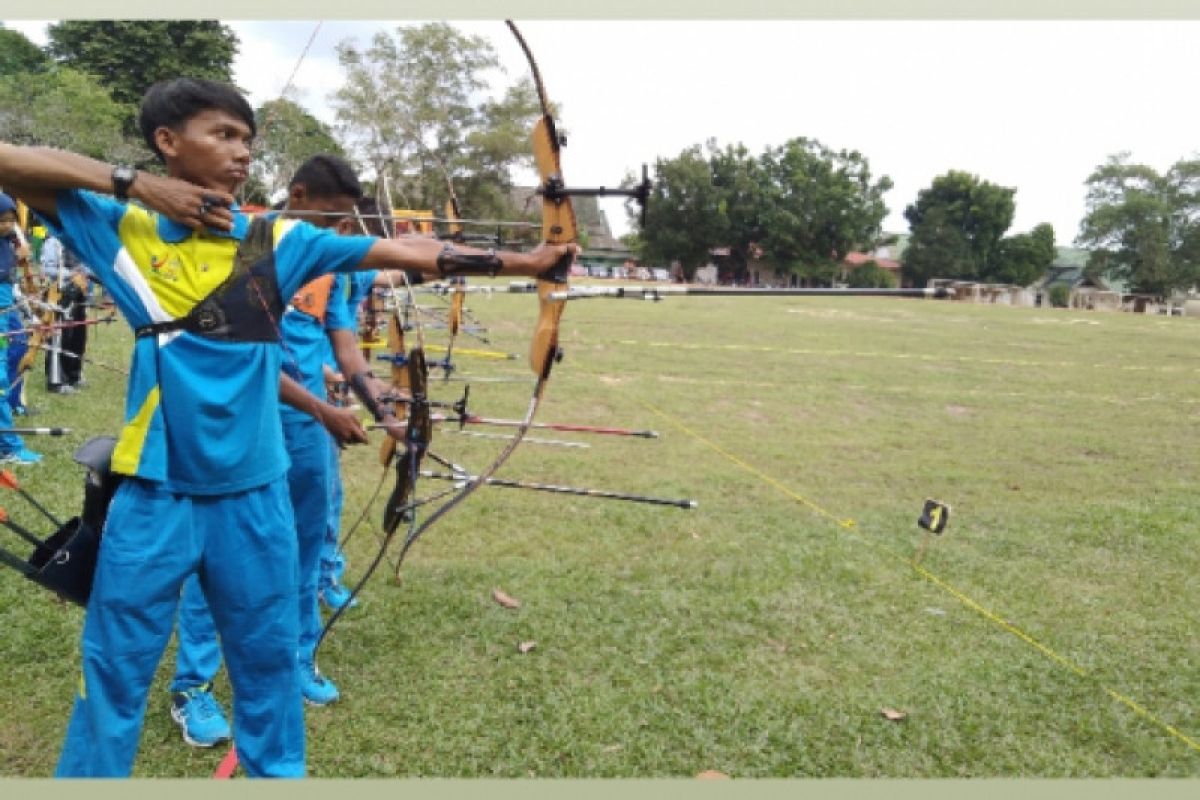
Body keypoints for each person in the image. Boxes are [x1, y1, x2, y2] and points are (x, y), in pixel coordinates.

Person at [0, 76, 574, 778]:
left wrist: (526, 261)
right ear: (167, 142)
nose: (242, 153)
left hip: (255, 495)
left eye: (248, 140)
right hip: (155, 493)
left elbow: (403, 253)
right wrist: (140, 187)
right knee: (113, 673)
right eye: (224, 135)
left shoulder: (279, 239)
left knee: (268, 670)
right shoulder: (117, 223)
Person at [167, 156, 406, 746]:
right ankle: (193, 686)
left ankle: (299, 656)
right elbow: (240, 356)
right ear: (297, 194)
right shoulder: (250, 241)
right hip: (241, 422)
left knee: (302, 547)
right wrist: (322, 408)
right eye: (330, 216)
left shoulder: (339, 262)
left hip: (306, 432)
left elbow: (347, 354)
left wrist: (383, 410)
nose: (339, 232)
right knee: (214, 555)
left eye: (347, 222)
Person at [0, 192, 41, 464]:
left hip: (7, 302)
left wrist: (21, 254)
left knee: (20, 349)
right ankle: (8, 445)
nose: (7, 225)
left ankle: (14, 401)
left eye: (10, 219)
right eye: (1, 221)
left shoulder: (8, 239)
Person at [40, 234, 91, 393]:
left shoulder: (79, 238)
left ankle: (73, 375)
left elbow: (87, 266)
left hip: (78, 295)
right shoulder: (53, 242)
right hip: (58, 295)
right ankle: (56, 381)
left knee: (78, 337)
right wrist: (72, 275)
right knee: (59, 338)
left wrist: (85, 273)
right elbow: (47, 269)